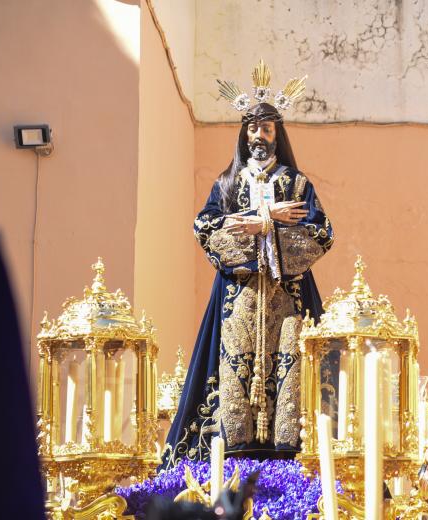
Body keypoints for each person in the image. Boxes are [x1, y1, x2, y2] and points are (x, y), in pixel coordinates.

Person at [161, 62, 333, 469]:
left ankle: (289, 456)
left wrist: (266, 225)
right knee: (233, 367)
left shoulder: (297, 183)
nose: (259, 135)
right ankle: (232, 455)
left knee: (292, 365)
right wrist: (258, 228)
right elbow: (205, 229)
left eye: (267, 128)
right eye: (253, 128)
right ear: (245, 133)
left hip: (287, 298)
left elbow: (322, 234)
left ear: (278, 135)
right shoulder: (226, 184)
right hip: (238, 297)